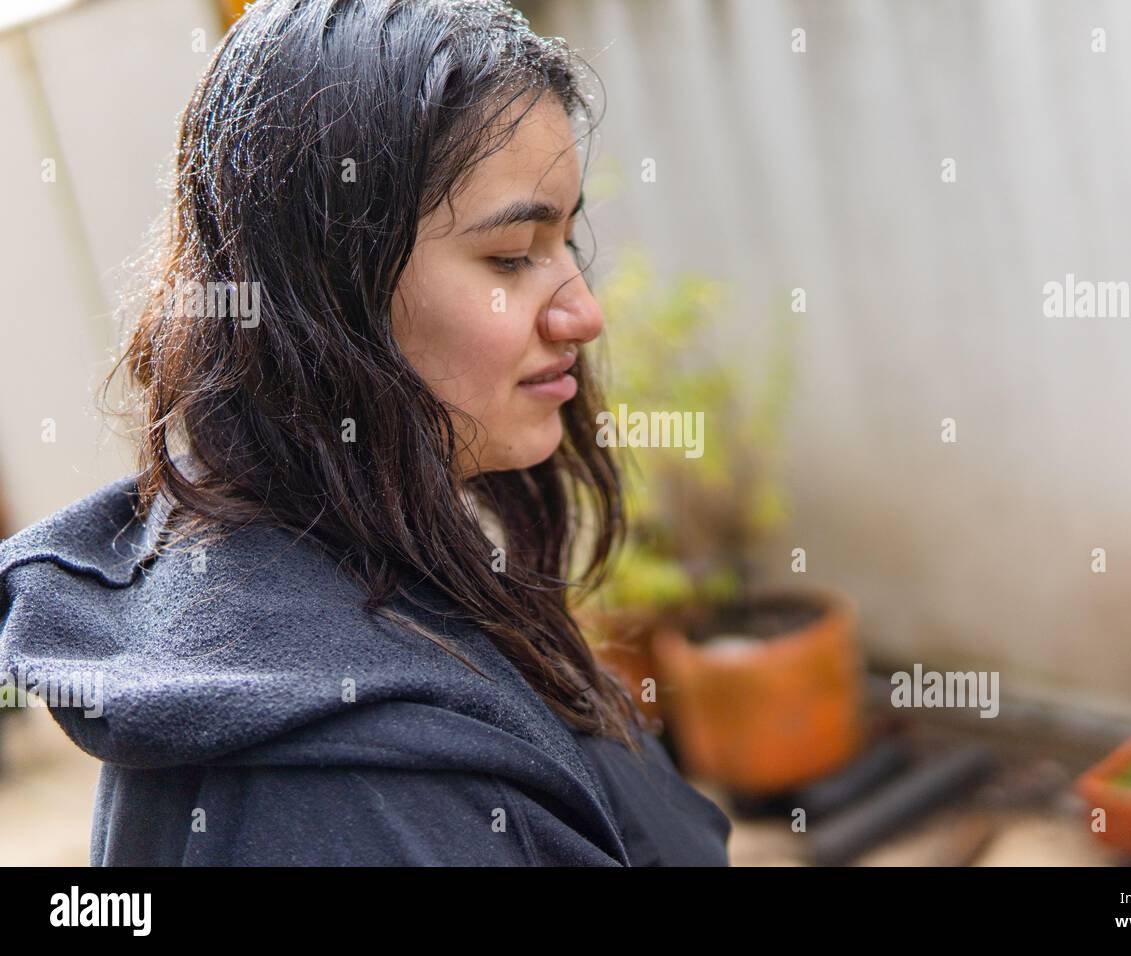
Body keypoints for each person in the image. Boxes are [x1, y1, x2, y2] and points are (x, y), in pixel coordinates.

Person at [0, 0, 731, 866]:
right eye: (510, 256)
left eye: (568, 240)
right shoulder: (340, 799)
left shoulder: (382, 559)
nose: (584, 312)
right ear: (327, 292)